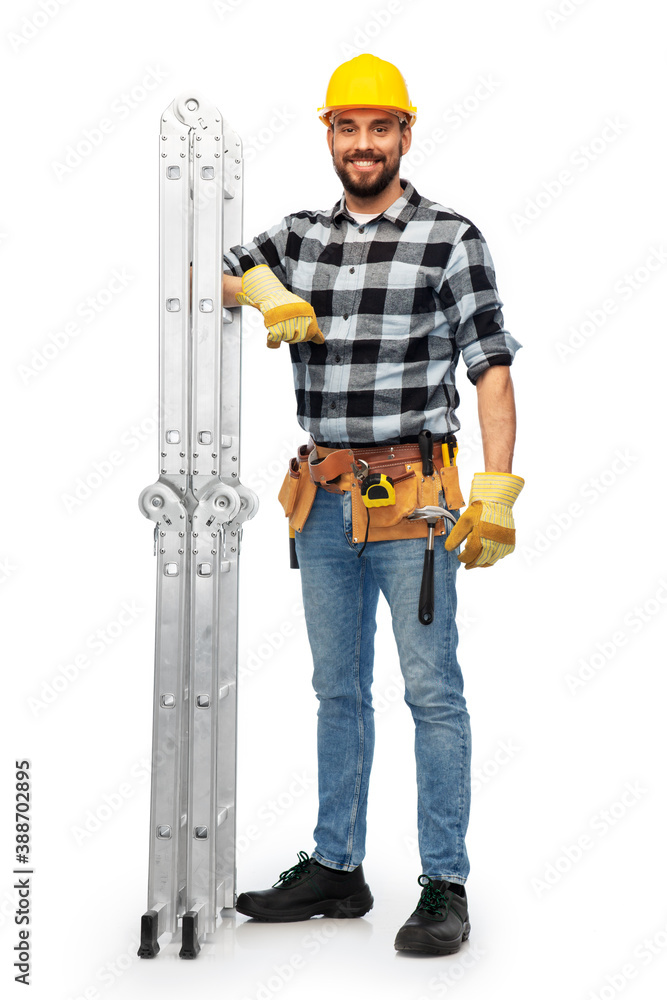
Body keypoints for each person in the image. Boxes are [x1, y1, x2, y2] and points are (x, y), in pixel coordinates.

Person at [221, 53, 524, 956]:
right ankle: (338, 867)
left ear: (404, 133)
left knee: (431, 691)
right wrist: (264, 288)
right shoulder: (300, 236)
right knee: (336, 691)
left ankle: (443, 883)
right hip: (319, 502)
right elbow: (214, 267)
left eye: (379, 128)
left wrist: (497, 491)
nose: (363, 144)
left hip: (415, 502)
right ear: (328, 135)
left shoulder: (448, 237)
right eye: (347, 128)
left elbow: (491, 368)